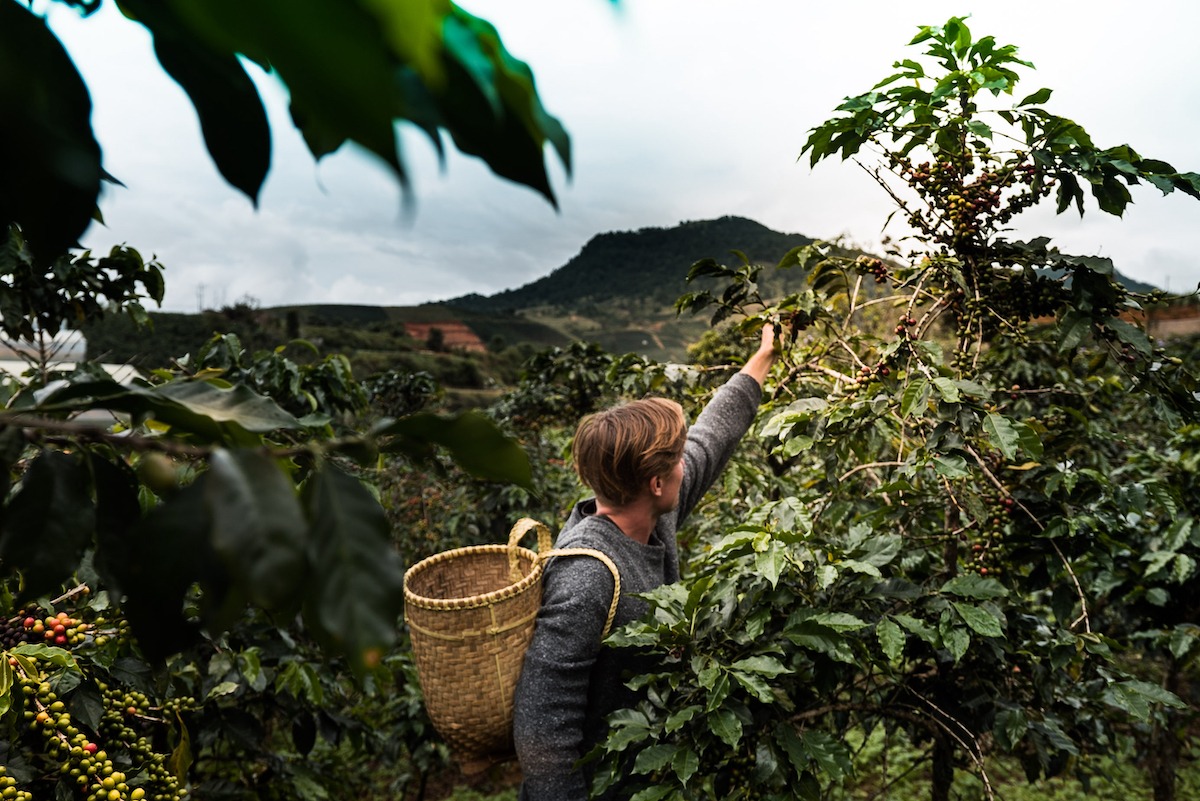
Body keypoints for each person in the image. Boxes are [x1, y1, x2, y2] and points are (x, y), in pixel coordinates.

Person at [512, 324, 779, 800]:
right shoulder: (587, 575)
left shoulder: (653, 515)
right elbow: (543, 729)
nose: (685, 464)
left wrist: (763, 357)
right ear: (656, 483)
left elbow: (711, 437)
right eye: (675, 460)